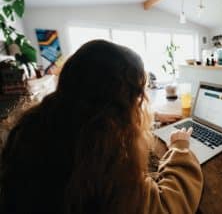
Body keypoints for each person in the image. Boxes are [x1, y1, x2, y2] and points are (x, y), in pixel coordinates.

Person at [0, 40, 203, 214]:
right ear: (122, 102)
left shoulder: (37, 125)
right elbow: (167, 206)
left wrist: (152, 117)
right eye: (137, 95)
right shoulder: (101, 156)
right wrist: (179, 148)